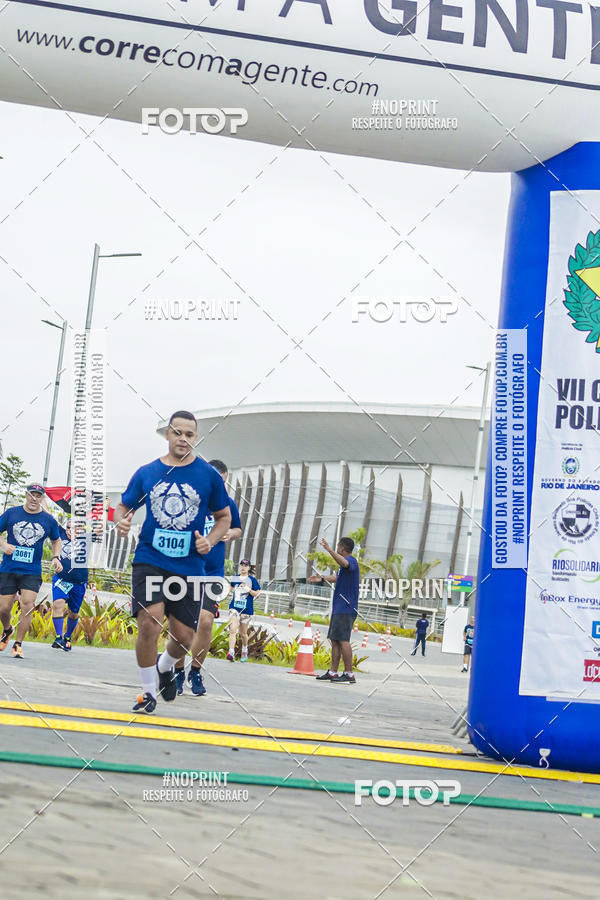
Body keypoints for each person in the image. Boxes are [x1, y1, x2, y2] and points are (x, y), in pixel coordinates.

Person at [114, 410, 231, 714]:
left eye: (189, 435)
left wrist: (212, 539)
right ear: (168, 434)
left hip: (189, 567)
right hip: (150, 558)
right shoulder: (148, 472)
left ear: (196, 438)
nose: (183, 439)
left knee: (184, 637)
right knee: (149, 622)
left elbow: (224, 517)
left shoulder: (207, 476)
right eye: (177, 433)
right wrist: (121, 521)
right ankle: (147, 692)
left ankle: (166, 666)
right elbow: (123, 505)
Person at [174, 458, 242, 695]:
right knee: (182, 625)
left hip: (212, 573)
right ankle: (177, 671)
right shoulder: (188, 499)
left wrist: (231, 533)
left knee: (205, 621)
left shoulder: (227, 504)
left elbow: (238, 528)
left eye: (222, 482)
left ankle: (195, 671)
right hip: (184, 570)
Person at [0, 484, 63, 658]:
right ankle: (7, 629)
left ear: (42, 498)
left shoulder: (48, 520)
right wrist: (4, 545)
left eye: (38, 495)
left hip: (31, 571)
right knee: (3, 609)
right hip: (8, 568)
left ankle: (18, 644)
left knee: (27, 605)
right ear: (26, 495)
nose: (34, 498)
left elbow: (56, 541)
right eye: (32, 494)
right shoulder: (12, 513)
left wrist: (56, 557)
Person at [309, 536, 359, 684]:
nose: (337, 548)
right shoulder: (344, 566)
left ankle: (349, 674)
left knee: (343, 640)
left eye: (338, 546)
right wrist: (322, 578)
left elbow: (344, 562)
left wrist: (329, 550)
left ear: (342, 548)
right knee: (335, 640)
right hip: (339, 607)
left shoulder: (351, 561)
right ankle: (333, 672)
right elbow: (337, 578)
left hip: (346, 607)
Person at [51, 520, 88, 651]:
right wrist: (43, 498)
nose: (71, 531)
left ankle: (67, 637)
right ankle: (58, 637)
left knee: (73, 613)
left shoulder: (86, 539)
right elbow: (48, 513)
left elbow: (101, 527)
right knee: (58, 604)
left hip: (79, 582)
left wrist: (104, 508)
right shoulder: (60, 533)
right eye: (68, 528)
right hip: (62, 579)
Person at [226, 559, 260, 662]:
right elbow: (230, 589)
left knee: (243, 633)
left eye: (245, 565)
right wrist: (227, 592)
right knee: (233, 629)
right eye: (241, 565)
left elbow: (257, 594)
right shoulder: (235, 578)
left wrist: (247, 589)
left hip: (246, 610)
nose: (243, 567)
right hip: (234, 608)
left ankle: (244, 649)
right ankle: (231, 652)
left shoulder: (252, 580)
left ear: (249, 568)